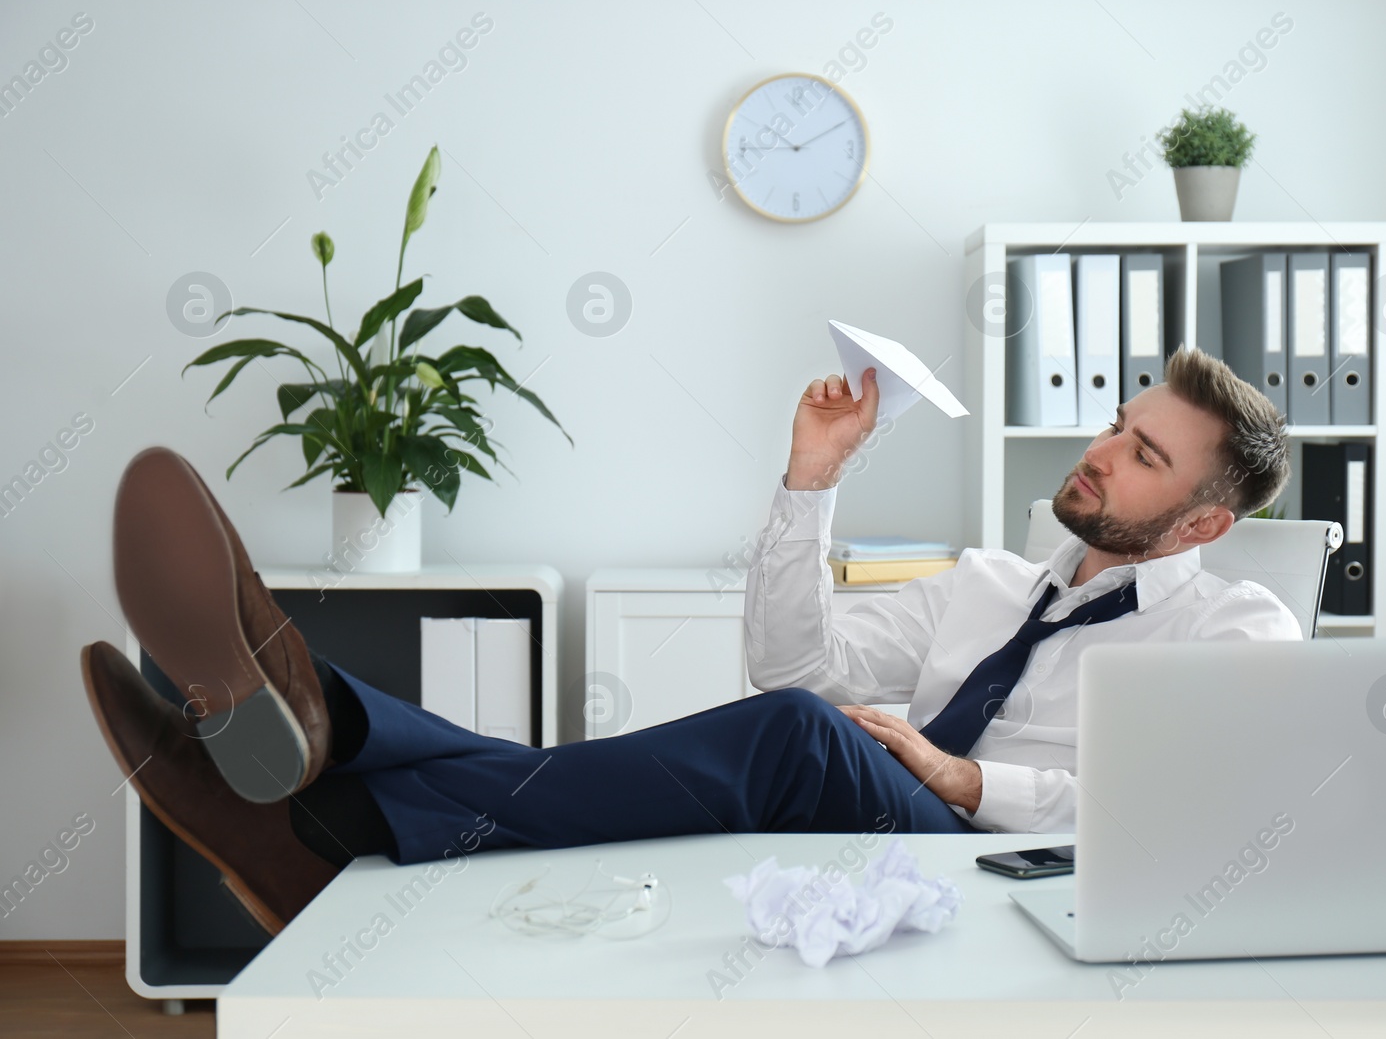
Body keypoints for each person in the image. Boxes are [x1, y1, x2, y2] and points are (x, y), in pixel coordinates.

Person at [81, 347, 1298, 934]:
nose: (1099, 450)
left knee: (800, 740)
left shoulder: (1238, 630)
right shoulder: (983, 583)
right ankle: (323, 774)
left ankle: (327, 732)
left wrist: (966, 777)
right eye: (1116, 422)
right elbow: (791, 664)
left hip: (1010, 866)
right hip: (905, 829)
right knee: (792, 720)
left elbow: (1190, 816)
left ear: (1203, 517)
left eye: (1143, 453)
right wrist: (810, 482)